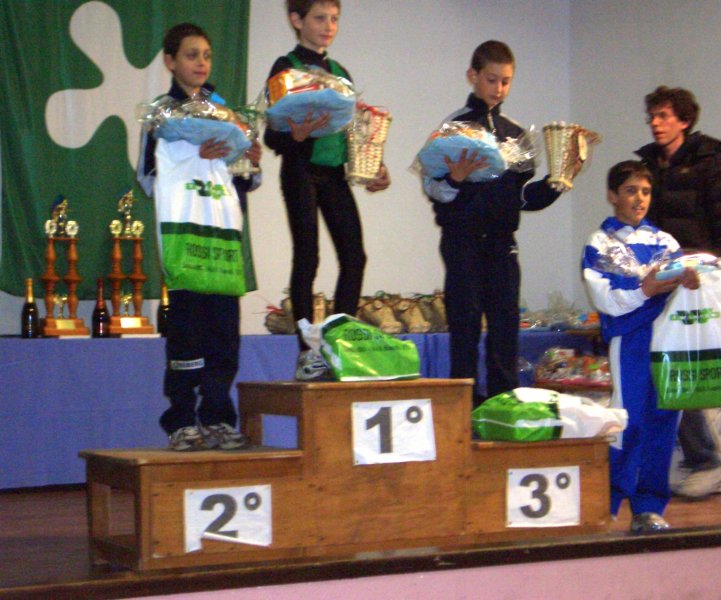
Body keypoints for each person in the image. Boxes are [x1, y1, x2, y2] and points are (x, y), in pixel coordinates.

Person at [137, 22, 261, 451]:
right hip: (185, 239)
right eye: (191, 55)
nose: (201, 63)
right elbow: (147, 176)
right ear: (170, 61)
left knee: (224, 334)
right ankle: (181, 422)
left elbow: (247, 180)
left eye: (206, 55)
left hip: (222, 240)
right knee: (186, 334)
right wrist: (192, 155)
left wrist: (248, 157)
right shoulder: (161, 114)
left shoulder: (227, 113)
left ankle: (218, 419)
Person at [422, 40, 563, 408]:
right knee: (465, 324)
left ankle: (503, 403)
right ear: (473, 76)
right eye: (491, 79)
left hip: (502, 243)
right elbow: (433, 188)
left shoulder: (516, 133)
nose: (498, 88)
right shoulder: (453, 128)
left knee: (505, 325)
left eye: (505, 81)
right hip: (462, 240)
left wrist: (556, 183)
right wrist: (455, 178)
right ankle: (464, 405)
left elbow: (522, 198)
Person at [264, 0, 391, 381]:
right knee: (308, 256)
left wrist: (372, 167)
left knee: (355, 256)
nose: (329, 26)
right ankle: (307, 352)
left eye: (334, 19)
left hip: (333, 174)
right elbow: (272, 135)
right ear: (297, 20)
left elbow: (352, 134)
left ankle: (338, 342)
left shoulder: (340, 73)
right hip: (300, 170)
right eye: (320, 18)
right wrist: (295, 135)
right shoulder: (285, 67)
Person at [635, 86, 721, 498]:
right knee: (663, 372)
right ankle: (689, 459)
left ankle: (709, 462)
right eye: (652, 116)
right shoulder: (647, 167)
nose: (655, 123)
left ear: (684, 120)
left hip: (697, 286)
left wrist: (712, 283)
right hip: (659, 285)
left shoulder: (713, 165)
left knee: (687, 371)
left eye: (664, 115)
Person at [582, 160, 699, 533]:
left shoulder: (666, 242)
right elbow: (605, 300)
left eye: (646, 191)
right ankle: (608, 504)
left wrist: (694, 284)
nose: (639, 199)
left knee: (663, 421)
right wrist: (644, 291)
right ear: (612, 195)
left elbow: (683, 299)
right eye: (631, 190)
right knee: (625, 421)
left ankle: (648, 507)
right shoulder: (600, 243)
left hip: (668, 343)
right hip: (629, 340)